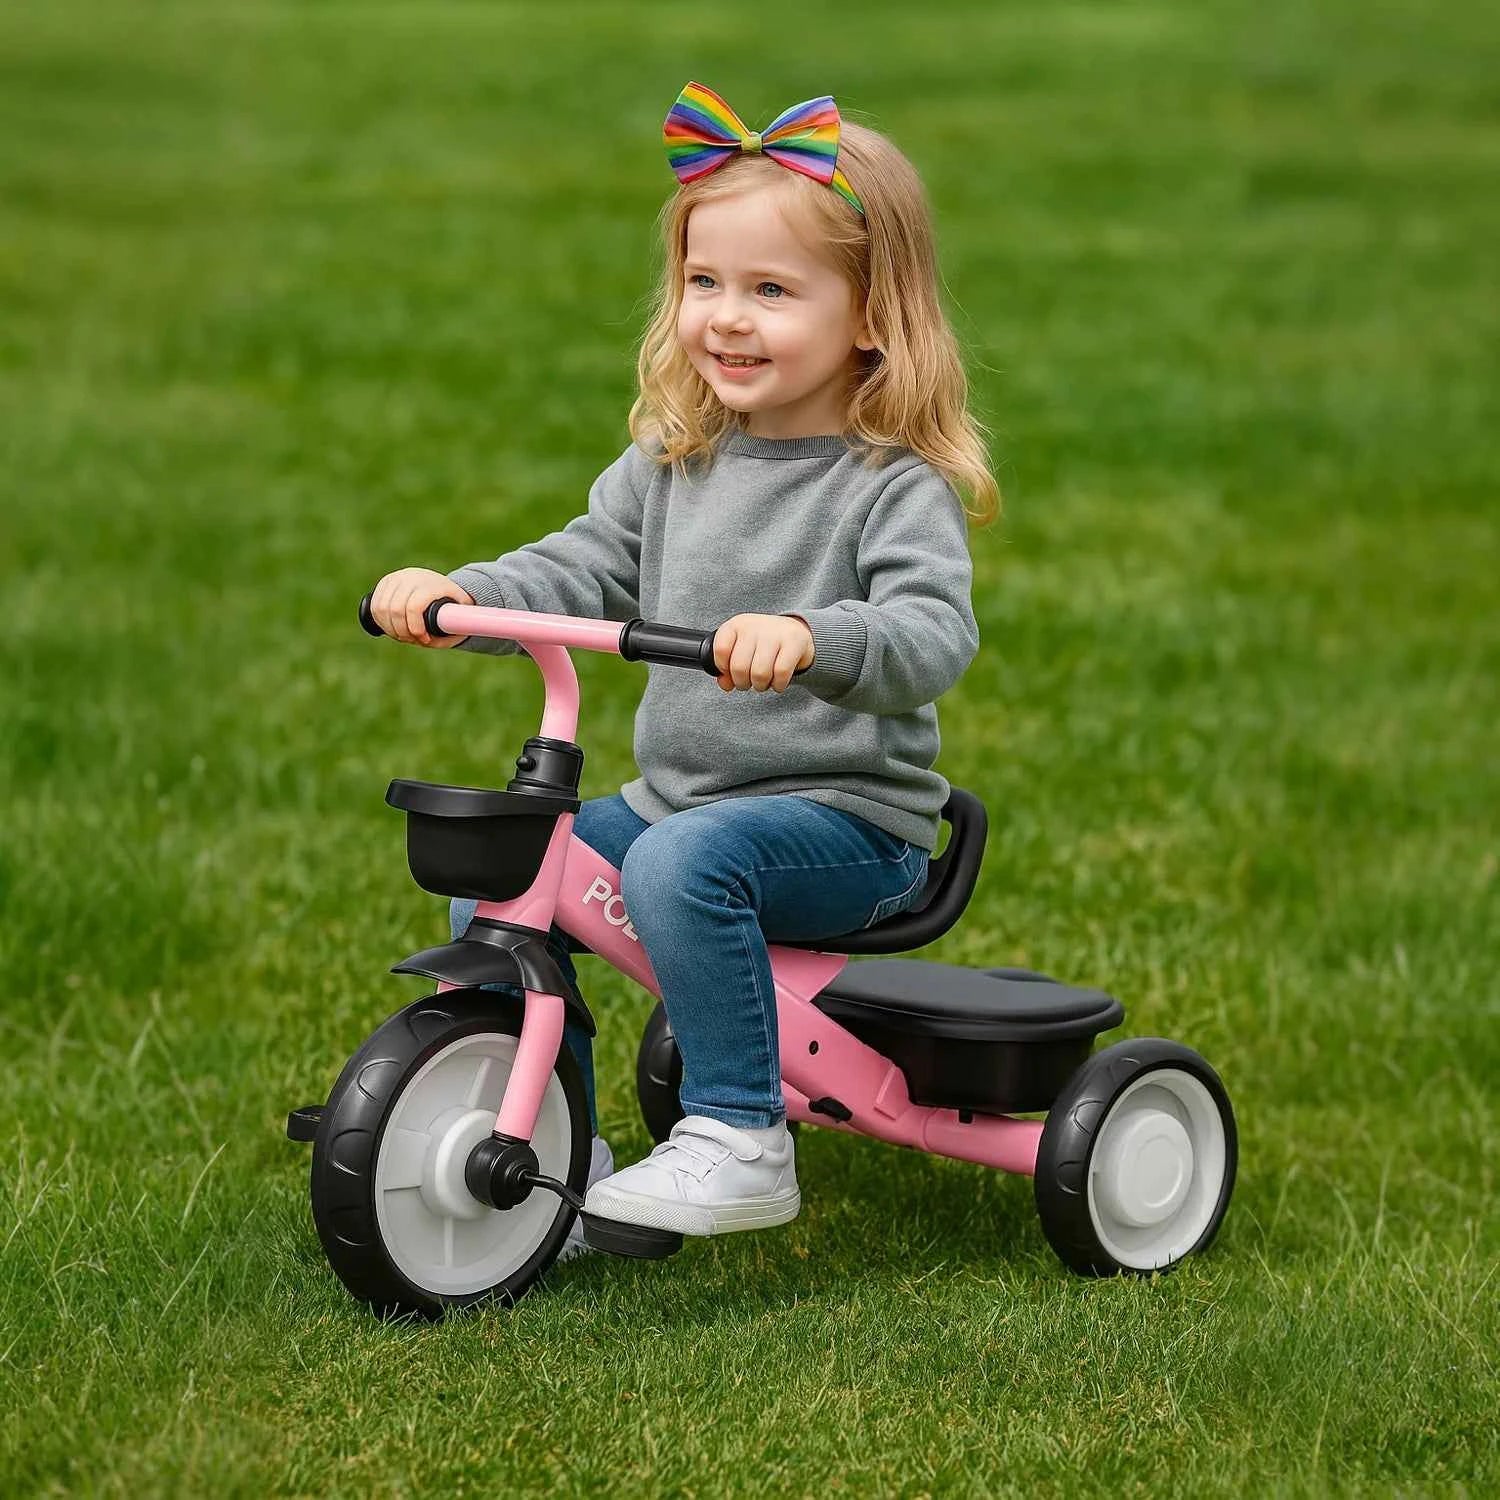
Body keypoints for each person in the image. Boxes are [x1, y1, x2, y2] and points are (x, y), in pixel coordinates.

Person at [368, 82, 1000, 1260]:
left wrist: (817, 638)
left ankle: (740, 1135)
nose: (729, 319)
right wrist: (462, 594)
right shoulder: (675, 458)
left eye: (773, 291)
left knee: (683, 861)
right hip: (682, 804)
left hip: (848, 826)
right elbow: (584, 563)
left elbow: (930, 632)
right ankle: (560, 1148)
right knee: (508, 877)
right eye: (706, 283)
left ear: (873, 316)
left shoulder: (886, 486)